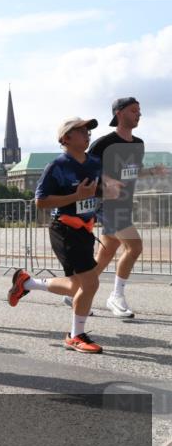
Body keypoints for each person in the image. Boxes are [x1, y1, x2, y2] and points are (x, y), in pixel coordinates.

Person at [8, 117, 109, 353]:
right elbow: (41, 201)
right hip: (64, 229)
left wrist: (112, 190)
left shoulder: (95, 162)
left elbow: (100, 189)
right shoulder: (57, 165)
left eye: (88, 130)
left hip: (85, 230)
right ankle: (76, 335)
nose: (87, 134)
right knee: (90, 283)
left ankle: (27, 282)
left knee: (77, 286)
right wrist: (76, 196)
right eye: (81, 130)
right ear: (65, 138)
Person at [88, 97, 165, 318]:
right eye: (133, 110)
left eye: (139, 111)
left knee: (106, 253)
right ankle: (116, 296)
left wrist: (151, 172)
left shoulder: (138, 143)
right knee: (135, 247)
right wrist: (106, 180)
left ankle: (77, 289)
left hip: (123, 203)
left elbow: (132, 171)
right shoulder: (103, 143)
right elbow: (84, 169)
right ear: (119, 113)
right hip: (105, 203)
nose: (138, 114)